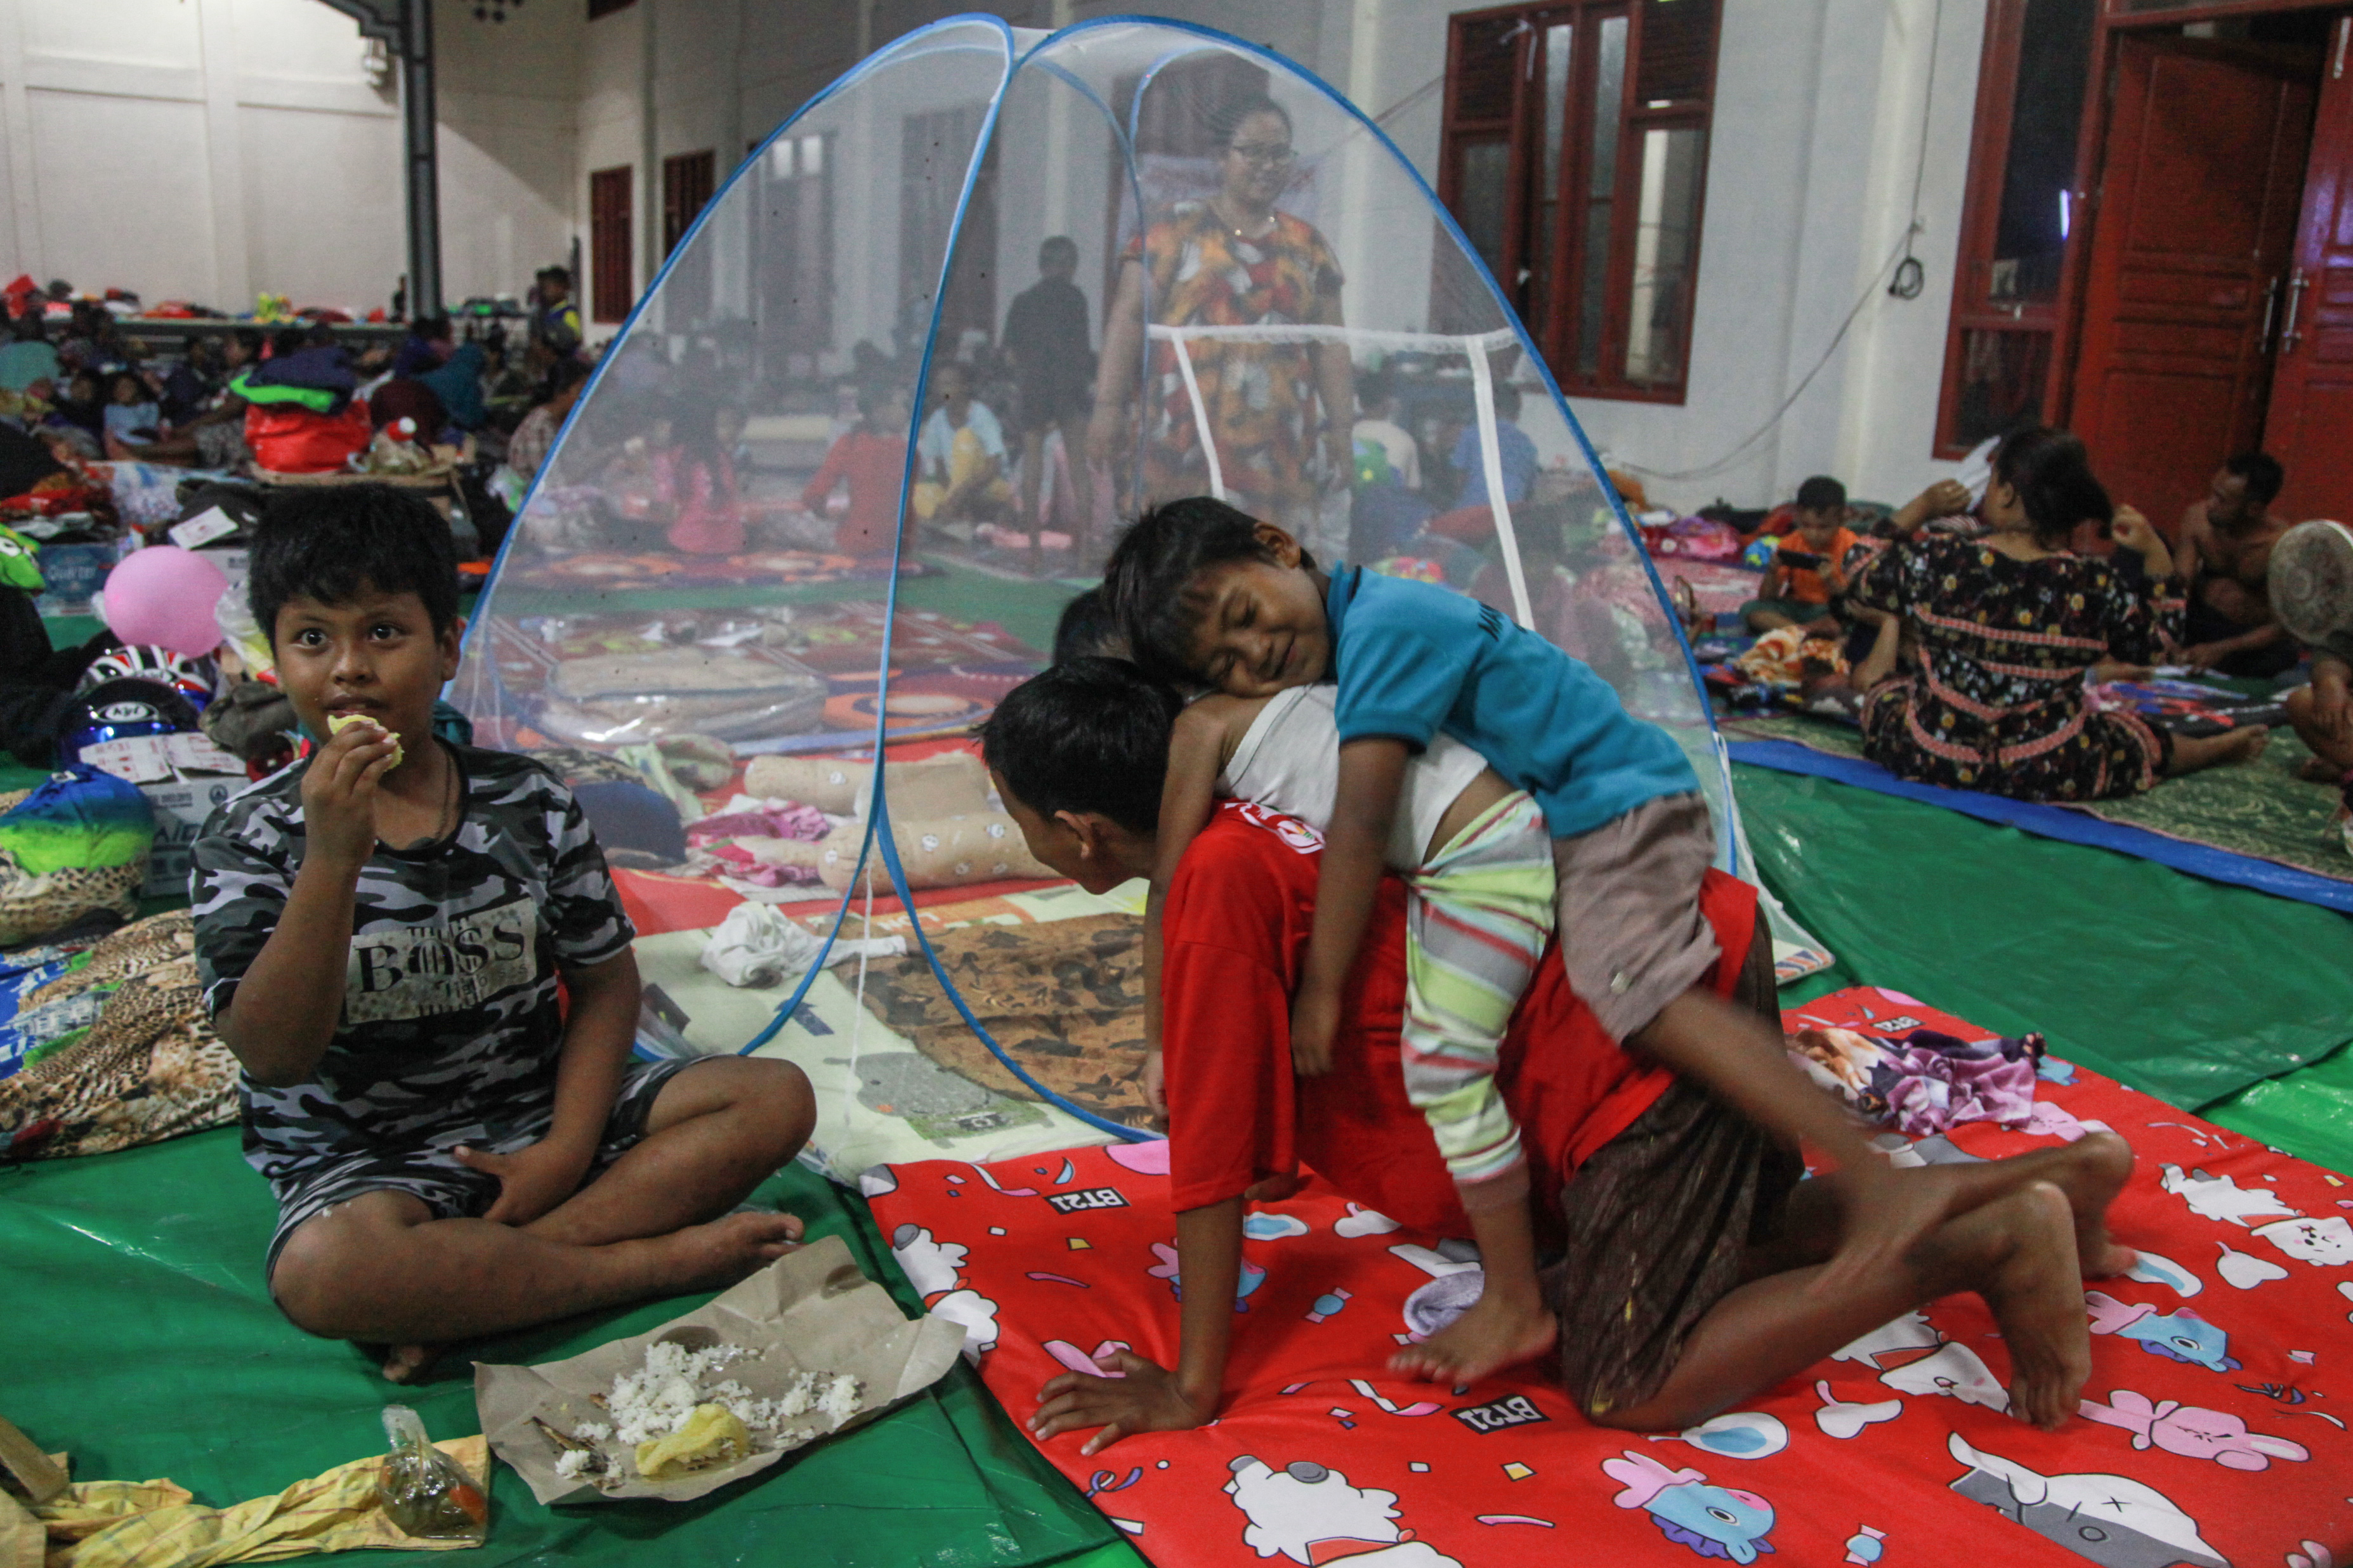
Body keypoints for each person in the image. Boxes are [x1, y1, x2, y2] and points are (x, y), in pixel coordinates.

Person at [981, 657, 2134, 1450]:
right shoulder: (1265, 784)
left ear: (1078, 827)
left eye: (1018, 817)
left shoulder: (1219, 883)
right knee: (1710, 1240)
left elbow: (1217, 1151)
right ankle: (2036, 1183)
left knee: (1624, 1377)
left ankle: (1984, 1241)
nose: (1023, 839)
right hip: (1677, 943)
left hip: (1616, 1040)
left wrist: (1191, 1387)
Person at [1103, 497, 1973, 1391]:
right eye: (1224, 664)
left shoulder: (1386, 630)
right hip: (1571, 825)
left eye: (1246, 618)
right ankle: (2015, 1199)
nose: (1257, 657)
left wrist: (1322, 989)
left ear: (1280, 544)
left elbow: (1364, 817)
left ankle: (1873, 1180)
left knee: (1647, 1004)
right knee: (1715, 1194)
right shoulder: (1353, 642)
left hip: (1612, 811)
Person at [190, 484, 813, 1382]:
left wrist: (562, 1151)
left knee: (773, 1097)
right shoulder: (246, 836)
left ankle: (485, 1288)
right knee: (330, 1277)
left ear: (446, 647)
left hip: (538, 1115)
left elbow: (605, 985)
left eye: (384, 633)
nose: (349, 670)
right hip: (369, 1161)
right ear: (275, 660)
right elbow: (274, 1056)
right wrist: (331, 860)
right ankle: (646, 1267)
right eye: (313, 638)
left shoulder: (529, 802)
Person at [1847, 426, 2268, 800]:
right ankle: (2218, 747)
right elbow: (2157, 646)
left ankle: (2219, 746)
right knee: (2133, 738)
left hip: (1933, 753)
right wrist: (2155, 551)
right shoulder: (2091, 584)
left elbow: (1858, 567)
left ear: (2008, 492)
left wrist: (1922, 505)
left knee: (1887, 696)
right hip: (2048, 766)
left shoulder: (1943, 558)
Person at [1086, 95, 1353, 559]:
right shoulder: (1170, 230)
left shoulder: (1307, 246)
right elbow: (1127, 317)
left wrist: (1342, 431)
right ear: (1219, 157)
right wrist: (1107, 407)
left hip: (1278, 452)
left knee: (1265, 579)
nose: (1266, 165)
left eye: (1278, 153)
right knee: (1174, 578)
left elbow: (1330, 345)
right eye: (1251, 151)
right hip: (1179, 446)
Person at [1003, 237, 1094, 543]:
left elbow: (1010, 353)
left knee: (1032, 462)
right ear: (1072, 265)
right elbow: (1082, 349)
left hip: (1035, 387)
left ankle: (1034, 545)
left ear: (1042, 265)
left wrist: (1027, 376)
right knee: (1078, 465)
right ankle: (1082, 546)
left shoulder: (1023, 300)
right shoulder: (1076, 298)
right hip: (1069, 388)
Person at [2176, 452, 2298, 678]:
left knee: (2282, 656)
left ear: (2254, 509)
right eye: (2213, 493)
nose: (2210, 504)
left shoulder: (2282, 547)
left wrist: (2222, 649)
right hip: (2199, 623)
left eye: (2222, 500)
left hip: (2245, 640)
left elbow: (2285, 626)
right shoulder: (2198, 520)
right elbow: (2179, 587)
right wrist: (2167, 634)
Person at [801, 382, 912, 556]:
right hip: (896, 543)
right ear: (879, 410)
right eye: (899, 405)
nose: (906, 411)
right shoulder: (906, 449)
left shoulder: (850, 443)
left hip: (855, 541)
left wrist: (832, 515)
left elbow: (813, 496)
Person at [1740, 476, 1858, 634]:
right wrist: (1772, 572)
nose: (1813, 534)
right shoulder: (1790, 543)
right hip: (1796, 607)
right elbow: (1766, 598)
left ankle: (1796, 632)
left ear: (1841, 519)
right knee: (1750, 609)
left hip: (1830, 610)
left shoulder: (1852, 545)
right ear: (1798, 517)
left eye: (1823, 528)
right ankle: (1804, 632)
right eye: (1807, 526)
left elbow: (1852, 598)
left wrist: (1830, 580)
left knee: (1853, 623)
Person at [911, 360, 1010, 526]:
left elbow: (994, 468)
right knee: (914, 493)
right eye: (939, 386)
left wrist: (961, 493)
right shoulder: (937, 420)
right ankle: (953, 515)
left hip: (989, 486)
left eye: (949, 384)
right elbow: (941, 470)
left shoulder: (981, 415)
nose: (944, 391)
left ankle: (949, 515)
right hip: (954, 490)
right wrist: (955, 494)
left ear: (965, 387)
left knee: (964, 437)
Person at [657, 399, 744, 555]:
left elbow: (666, 509)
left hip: (689, 542)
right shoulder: (722, 455)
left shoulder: (671, 457)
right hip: (731, 541)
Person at [1448, 381, 1536, 513]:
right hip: (1511, 515)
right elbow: (1530, 488)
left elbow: (1458, 479)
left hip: (1472, 511)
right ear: (1517, 411)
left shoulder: (1471, 434)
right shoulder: (1527, 443)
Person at [531, 266, 585, 365]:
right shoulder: (546, 313)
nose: (545, 293)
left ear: (560, 288)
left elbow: (576, 339)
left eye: (548, 289)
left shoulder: (568, 313)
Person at [0, 315, 59, 395]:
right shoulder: (47, 350)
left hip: (7, 399)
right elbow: (55, 378)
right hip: (35, 401)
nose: (28, 328)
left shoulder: (5, 349)